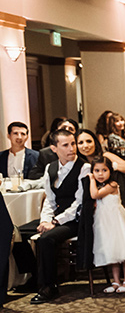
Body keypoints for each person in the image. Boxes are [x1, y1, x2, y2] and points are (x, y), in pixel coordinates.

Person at [15, 130, 91, 303]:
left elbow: (79, 203)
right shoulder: (51, 167)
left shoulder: (84, 168)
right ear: (54, 148)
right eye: (65, 145)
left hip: (75, 219)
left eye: (73, 143)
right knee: (16, 233)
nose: (72, 148)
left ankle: (49, 286)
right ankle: (35, 277)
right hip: (55, 217)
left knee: (46, 239)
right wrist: (45, 220)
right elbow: (49, 200)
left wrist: (55, 221)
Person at [87, 156, 125, 293]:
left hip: (116, 221)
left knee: (123, 252)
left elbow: (94, 195)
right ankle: (116, 281)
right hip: (104, 223)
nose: (100, 174)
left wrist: (91, 179)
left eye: (104, 170)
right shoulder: (101, 185)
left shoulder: (112, 185)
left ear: (110, 171)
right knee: (112, 254)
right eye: (96, 171)